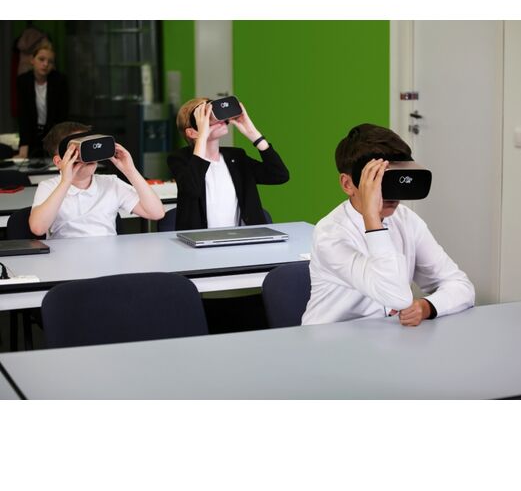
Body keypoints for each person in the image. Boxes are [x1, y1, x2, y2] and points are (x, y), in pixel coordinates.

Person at [302, 123, 475, 326]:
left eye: (395, 179)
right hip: (329, 339)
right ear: (348, 184)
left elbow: (462, 286)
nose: (392, 193)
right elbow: (396, 296)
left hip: (387, 338)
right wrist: (372, 218)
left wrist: (426, 306)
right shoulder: (330, 235)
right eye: (377, 180)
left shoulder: (406, 220)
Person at [167, 97, 289, 230]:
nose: (219, 120)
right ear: (192, 132)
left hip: (245, 238)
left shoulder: (236, 157)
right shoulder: (180, 159)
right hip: (200, 239)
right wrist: (202, 136)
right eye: (206, 118)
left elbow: (279, 175)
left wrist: (254, 134)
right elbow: (192, 189)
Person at [29, 122, 165, 239]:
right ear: (59, 162)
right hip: (65, 258)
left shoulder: (111, 183)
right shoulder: (49, 187)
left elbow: (156, 213)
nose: (88, 154)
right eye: (77, 150)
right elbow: (38, 228)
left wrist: (130, 171)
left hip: (108, 256)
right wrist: (65, 182)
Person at [17, 39, 69, 159]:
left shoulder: (59, 81)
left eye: (50, 61)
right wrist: (23, 147)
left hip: (53, 134)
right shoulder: (23, 81)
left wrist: (59, 146)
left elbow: (62, 116)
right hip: (32, 134)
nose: (45, 64)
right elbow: (23, 115)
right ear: (32, 60)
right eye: (41, 59)